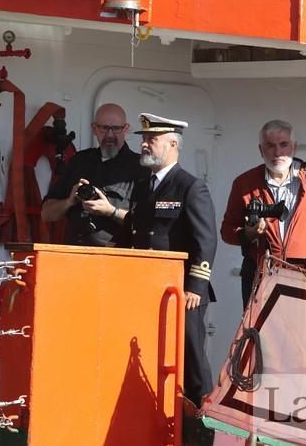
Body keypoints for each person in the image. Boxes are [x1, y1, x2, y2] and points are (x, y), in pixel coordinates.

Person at [117, 113, 217, 417]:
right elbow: (137, 229)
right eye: (143, 139)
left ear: (173, 143)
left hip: (182, 291)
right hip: (147, 287)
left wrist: (195, 286)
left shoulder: (189, 186)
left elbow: (206, 240)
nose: (144, 145)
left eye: (152, 139)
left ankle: (202, 416)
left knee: (190, 356)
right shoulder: (144, 186)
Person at [221, 119, 306, 309]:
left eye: (283, 145)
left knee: (301, 337)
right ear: (261, 150)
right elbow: (227, 231)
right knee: (260, 337)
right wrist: (248, 234)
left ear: (294, 147)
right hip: (259, 279)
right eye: (270, 146)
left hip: (305, 280)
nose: (277, 152)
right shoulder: (244, 184)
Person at [41, 103, 148, 246]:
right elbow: (46, 214)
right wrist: (69, 201)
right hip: (74, 256)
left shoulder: (140, 168)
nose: (110, 135)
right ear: (94, 129)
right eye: (104, 128)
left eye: (116, 129)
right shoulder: (79, 161)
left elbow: (148, 223)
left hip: (116, 259)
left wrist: (110, 211)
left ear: (126, 129)